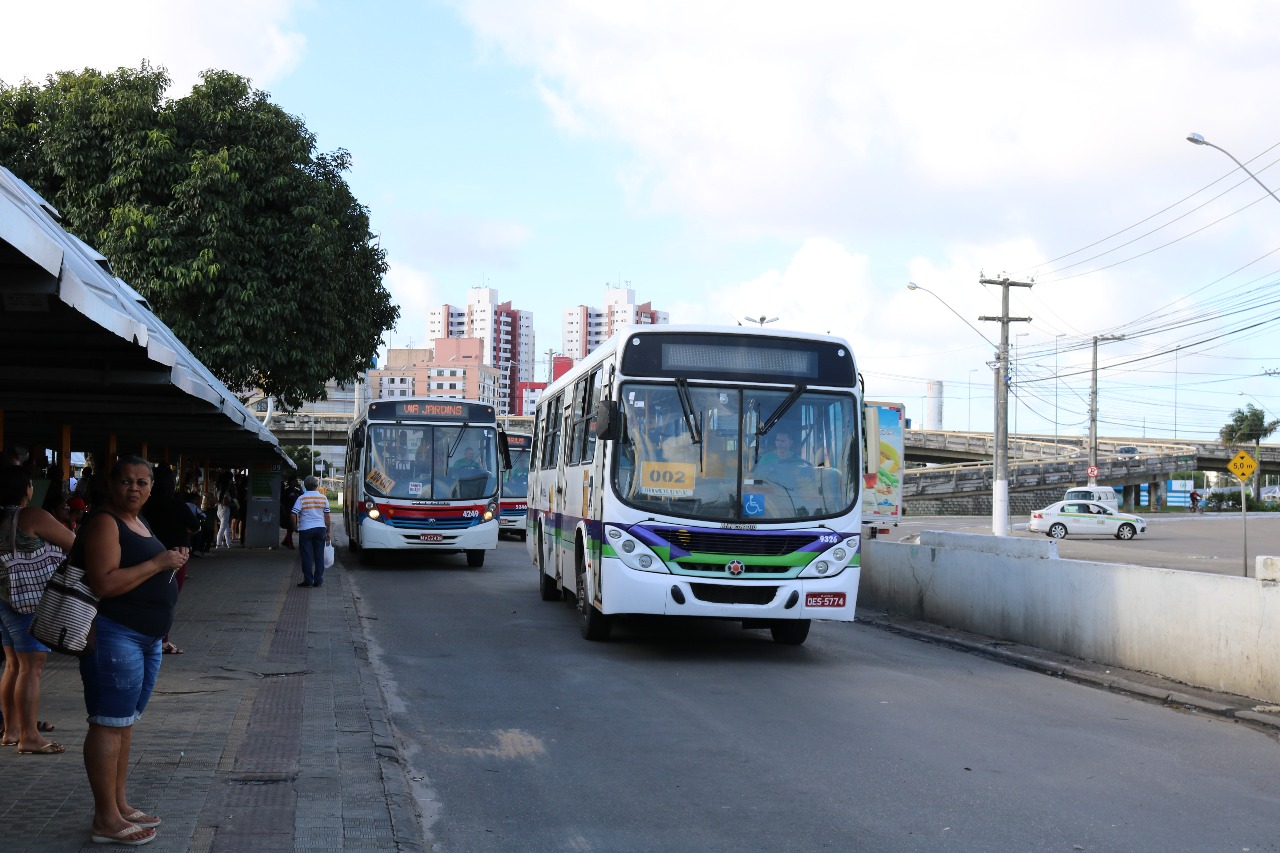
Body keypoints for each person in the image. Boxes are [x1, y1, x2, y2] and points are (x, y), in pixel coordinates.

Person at [78, 455, 187, 846]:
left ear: (152, 487)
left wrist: (168, 565)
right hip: (114, 634)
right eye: (126, 481)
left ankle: (119, 804)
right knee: (108, 722)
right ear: (111, 484)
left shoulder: (138, 521)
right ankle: (105, 819)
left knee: (124, 723)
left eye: (142, 482)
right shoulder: (105, 522)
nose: (134, 488)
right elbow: (104, 583)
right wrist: (159, 562)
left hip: (145, 638)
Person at [0, 465, 75, 754]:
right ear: (25, 490)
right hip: (27, 600)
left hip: (3, 599)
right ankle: (30, 736)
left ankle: (11, 731)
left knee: (13, 665)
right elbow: (74, 545)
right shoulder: (31, 516)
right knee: (32, 668)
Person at [141, 467, 197, 656]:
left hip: (147, 556)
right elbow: (196, 526)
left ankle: (147, 637)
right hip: (175, 557)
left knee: (147, 598)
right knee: (168, 600)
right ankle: (162, 641)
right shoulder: (178, 505)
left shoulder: (145, 506)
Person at [291, 475, 331, 588]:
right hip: (320, 529)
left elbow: (293, 514)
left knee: (306, 556)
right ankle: (318, 580)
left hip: (306, 530)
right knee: (319, 556)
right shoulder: (323, 498)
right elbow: (327, 516)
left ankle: (308, 580)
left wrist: (295, 527)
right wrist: (328, 531)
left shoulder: (301, 498)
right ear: (317, 486)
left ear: (305, 486)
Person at [279, 475, 303, 549]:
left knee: (292, 528)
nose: (296, 482)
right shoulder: (286, 491)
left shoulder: (296, 491)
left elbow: (302, 496)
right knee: (290, 527)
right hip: (288, 511)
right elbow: (282, 502)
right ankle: (289, 543)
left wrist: (300, 487)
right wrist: (284, 511)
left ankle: (286, 541)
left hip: (294, 512)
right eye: (295, 480)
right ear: (291, 482)